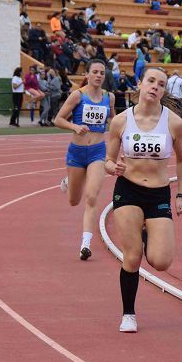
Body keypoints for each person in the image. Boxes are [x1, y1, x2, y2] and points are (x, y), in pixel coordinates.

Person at [103, 68, 182, 332]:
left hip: (158, 193)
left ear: (164, 91)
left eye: (161, 84)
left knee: (161, 261)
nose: (155, 87)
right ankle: (128, 314)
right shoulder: (120, 121)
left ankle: (146, 233)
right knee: (132, 256)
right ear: (139, 83)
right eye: (150, 81)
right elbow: (108, 159)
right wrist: (111, 167)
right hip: (128, 190)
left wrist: (181, 194)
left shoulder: (174, 123)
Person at [54, 61, 115, 260]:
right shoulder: (78, 95)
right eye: (94, 72)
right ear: (87, 74)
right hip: (77, 152)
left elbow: (114, 122)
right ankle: (69, 181)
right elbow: (58, 119)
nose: (98, 75)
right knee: (74, 200)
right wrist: (74, 127)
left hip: (98, 152)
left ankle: (85, 244)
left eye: (101, 73)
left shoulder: (109, 97)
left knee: (91, 198)